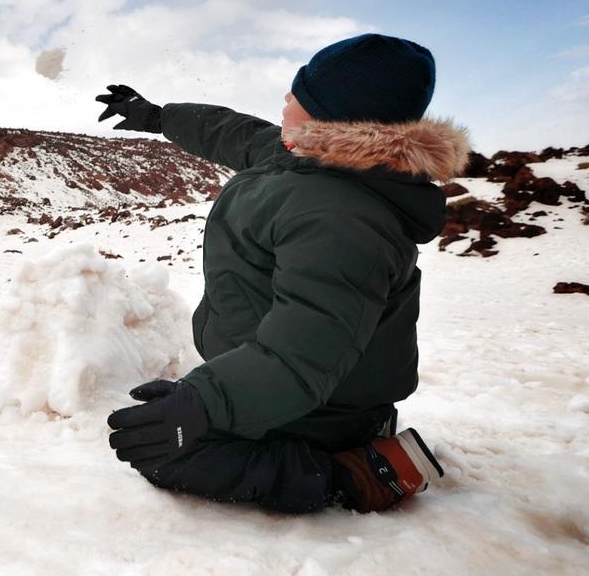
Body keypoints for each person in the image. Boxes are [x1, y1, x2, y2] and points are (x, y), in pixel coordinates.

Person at [96, 33, 471, 514]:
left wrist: (204, 404)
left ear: (332, 116)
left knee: (167, 453)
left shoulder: (342, 217)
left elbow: (302, 356)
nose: (286, 99)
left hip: (322, 405)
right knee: (173, 427)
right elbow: (235, 133)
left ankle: (354, 474)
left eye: (299, 94)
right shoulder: (311, 159)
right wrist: (157, 116)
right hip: (301, 384)